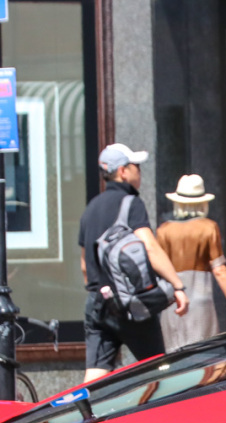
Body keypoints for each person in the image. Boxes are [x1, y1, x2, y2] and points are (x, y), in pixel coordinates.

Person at [78, 143, 188, 382]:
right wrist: (177, 286)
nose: (140, 171)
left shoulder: (90, 209)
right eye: (136, 166)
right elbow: (150, 246)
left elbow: (85, 265)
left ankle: (85, 416)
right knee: (158, 370)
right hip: (130, 304)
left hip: (98, 303)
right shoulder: (131, 204)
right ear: (123, 172)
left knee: (95, 375)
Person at [155, 174, 226, 351]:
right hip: (201, 301)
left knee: (173, 356)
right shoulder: (208, 227)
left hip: (172, 303)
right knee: (203, 356)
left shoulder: (163, 231)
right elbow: (219, 270)